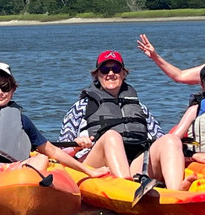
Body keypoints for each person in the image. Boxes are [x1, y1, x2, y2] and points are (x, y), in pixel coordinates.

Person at [57, 50, 171, 181]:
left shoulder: (141, 108)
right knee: (111, 136)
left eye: (116, 69)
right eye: (105, 70)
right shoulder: (81, 107)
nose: (111, 74)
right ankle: (126, 186)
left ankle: (176, 190)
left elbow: (160, 139)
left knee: (169, 140)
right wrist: (75, 147)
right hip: (96, 166)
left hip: (134, 164)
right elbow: (59, 153)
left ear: (123, 73)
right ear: (97, 75)